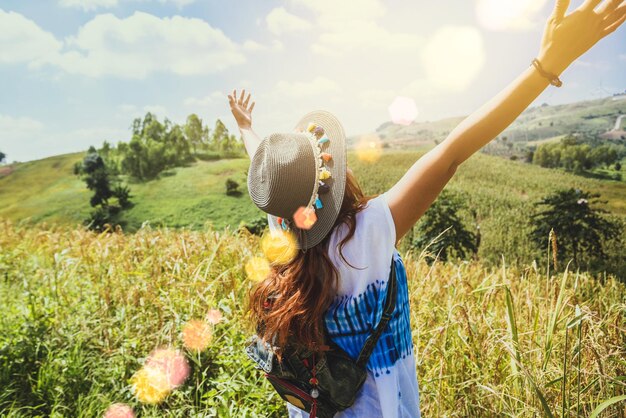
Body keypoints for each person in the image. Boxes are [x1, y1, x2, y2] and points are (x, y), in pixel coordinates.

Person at [228, 1, 625, 416]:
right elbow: (453, 149)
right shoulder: (369, 231)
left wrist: (246, 127)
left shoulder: (284, 232)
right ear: (334, 174)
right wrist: (546, 66)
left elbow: (268, 170)